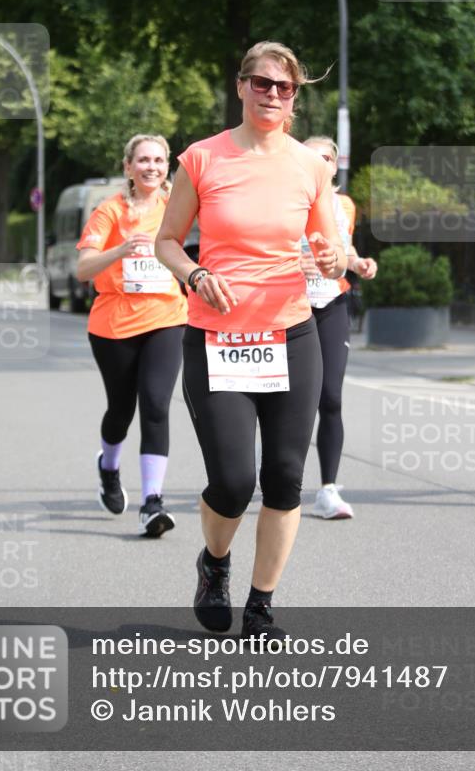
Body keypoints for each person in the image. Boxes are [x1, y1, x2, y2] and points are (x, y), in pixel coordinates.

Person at [155, 41, 347, 640]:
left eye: (284, 88)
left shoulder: (310, 167)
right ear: (241, 86)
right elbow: (167, 240)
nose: (272, 95)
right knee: (235, 482)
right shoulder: (202, 159)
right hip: (217, 339)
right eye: (262, 83)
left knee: (287, 476)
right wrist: (195, 274)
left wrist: (332, 254)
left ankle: (262, 604)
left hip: (291, 332)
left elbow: (333, 253)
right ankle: (214, 564)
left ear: (295, 98)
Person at [76, 134, 188, 537]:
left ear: (167, 165)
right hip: (114, 325)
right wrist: (120, 251)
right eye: (143, 160)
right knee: (121, 411)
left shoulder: (177, 208)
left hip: (167, 317)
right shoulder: (109, 211)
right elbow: (83, 269)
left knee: (156, 404)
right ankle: (108, 467)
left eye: (159, 160)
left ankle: (152, 501)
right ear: (128, 167)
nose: (152, 167)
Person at [300, 137, 377, 519]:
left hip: (332, 302)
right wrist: (296, 266)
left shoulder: (344, 204)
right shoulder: (284, 199)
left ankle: (328, 489)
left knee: (330, 397)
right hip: (289, 308)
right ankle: (279, 474)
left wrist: (358, 263)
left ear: (334, 166)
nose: (321, 163)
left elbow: (343, 250)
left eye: (327, 158)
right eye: (313, 157)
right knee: (290, 401)